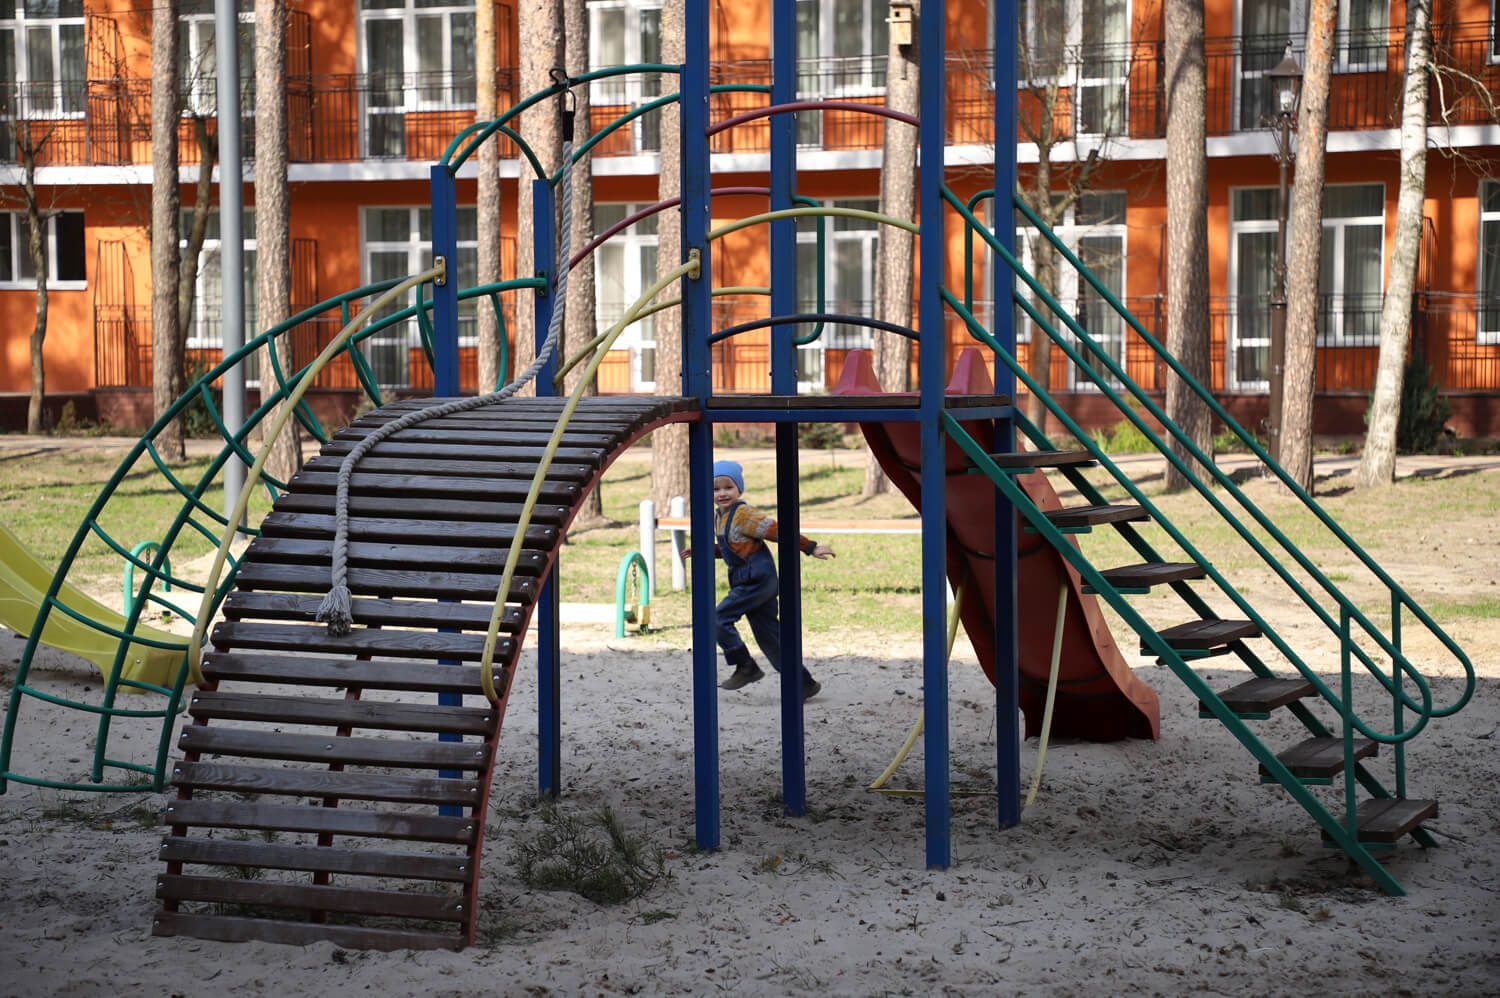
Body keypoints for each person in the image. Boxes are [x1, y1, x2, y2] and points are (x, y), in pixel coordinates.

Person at [687, 459, 835, 700]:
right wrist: (706, 550)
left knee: (716, 618)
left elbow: (778, 531)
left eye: (728, 487)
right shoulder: (720, 516)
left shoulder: (744, 514)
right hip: (746, 579)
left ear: (739, 489)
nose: (722, 493)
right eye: (715, 489)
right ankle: (803, 683)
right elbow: (734, 547)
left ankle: (745, 665)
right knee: (769, 636)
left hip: (756, 579)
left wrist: (810, 547)